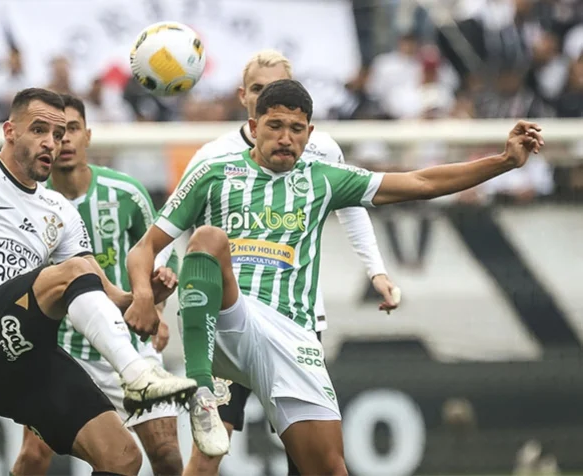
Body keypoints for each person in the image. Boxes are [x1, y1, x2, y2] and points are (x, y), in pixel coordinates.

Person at [126, 78, 543, 474]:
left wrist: (505, 161)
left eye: (295, 129)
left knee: (329, 468)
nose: (285, 138)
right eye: (274, 126)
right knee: (209, 238)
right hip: (230, 319)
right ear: (253, 127)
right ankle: (201, 392)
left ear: (309, 134)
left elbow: (419, 180)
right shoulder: (214, 174)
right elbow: (145, 248)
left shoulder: (322, 179)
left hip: (293, 335)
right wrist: (143, 296)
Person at [0, 88, 197, 476]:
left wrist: (140, 297)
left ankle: (136, 374)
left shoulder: (61, 212)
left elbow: (97, 288)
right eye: (39, 130)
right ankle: (137, 374)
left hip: (19, 352)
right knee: (70, 273)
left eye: (58, 134)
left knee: (121, 458)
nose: (51, 143)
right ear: (9, 131)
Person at [182, 49, 399, 476]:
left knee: (305, 458)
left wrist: (376, 269)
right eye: (260, 90)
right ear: (245, 98)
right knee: (210, 445)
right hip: (228, 320)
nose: (272, 98)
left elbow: (353, 205)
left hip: (294, 320)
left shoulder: (318, 150)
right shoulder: (212, 157)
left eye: (281, 88)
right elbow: (185, 231)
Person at [13, 94, 184, 475]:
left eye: (73, 129)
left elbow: (157, 251)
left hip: (130, 347)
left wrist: (156, 308)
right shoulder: (31, 204)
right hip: (63, 352)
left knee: (168, 455)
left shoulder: (126, 192)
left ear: (88, 135)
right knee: (33, 458)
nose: (66, 140)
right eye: (57, 133)